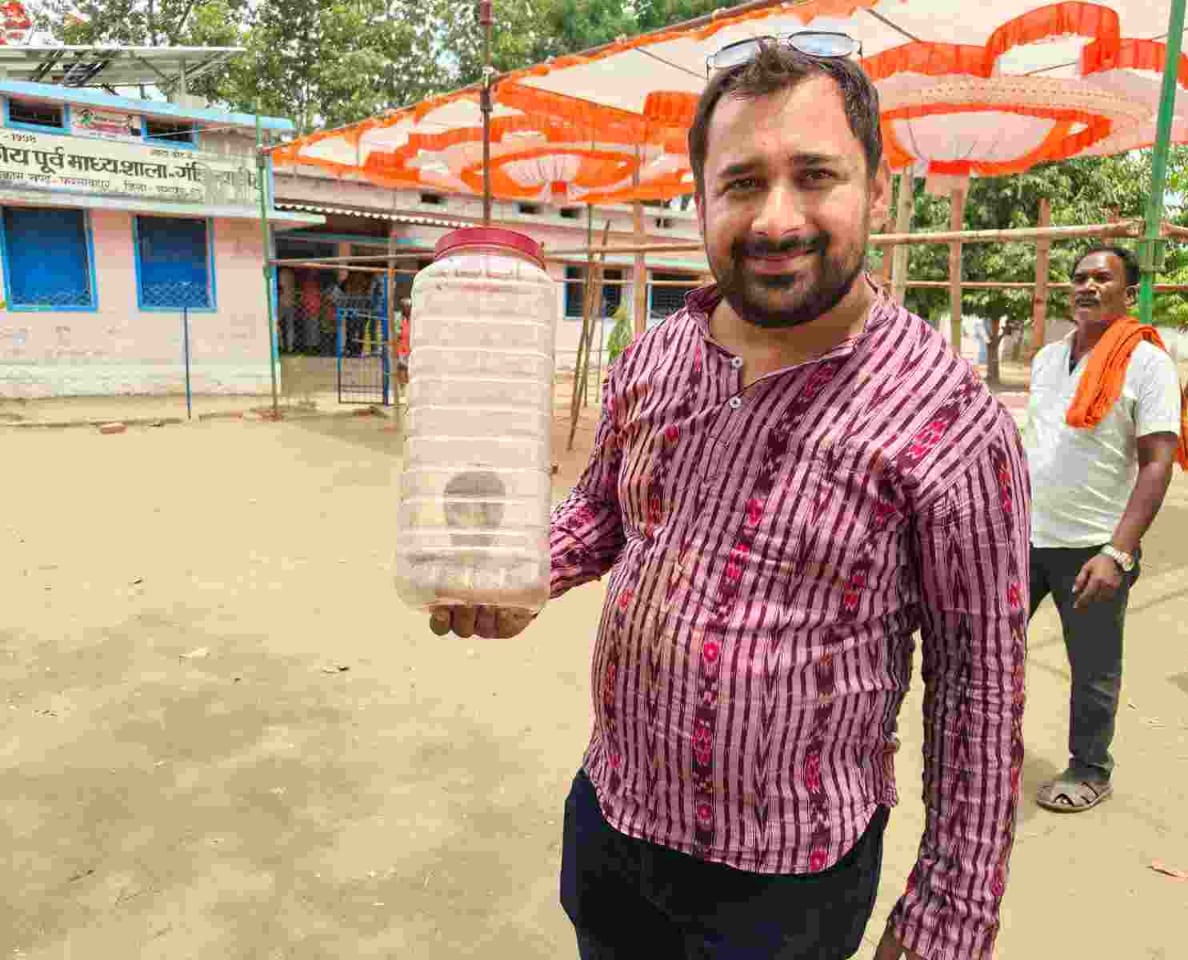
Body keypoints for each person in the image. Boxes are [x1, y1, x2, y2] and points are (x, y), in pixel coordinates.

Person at [429, 39, 1029, 960]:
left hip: (788, 882)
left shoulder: (951, 422)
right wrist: (520, 573)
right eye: (742, 183)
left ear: (876, 191)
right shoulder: (657, 356)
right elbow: (604, 510)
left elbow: (979, 689)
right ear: (702, 199)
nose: (776, 219)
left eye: (815, 176)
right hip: (612, 821)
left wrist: (947, 922)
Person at [1024, 244, 1188, 813]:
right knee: (990, 649)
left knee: (1093, 668)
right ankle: (991, 745)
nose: (1087, 286)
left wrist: (1118, 552)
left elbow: (1157, 462)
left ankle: (1090, 767)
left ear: (1128, 292)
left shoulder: (1147, 363)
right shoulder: (1048, 358)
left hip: (1093, 548)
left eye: (1102, 278)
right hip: (1026, 538)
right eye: (1079, 278)